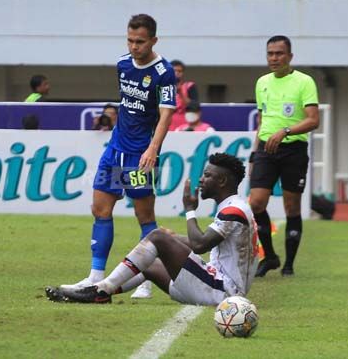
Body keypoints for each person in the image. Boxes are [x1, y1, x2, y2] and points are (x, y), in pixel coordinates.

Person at [59, 14, 176, 300]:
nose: (134, 47)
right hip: (115, 150)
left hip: (140, 154)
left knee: (144, 215)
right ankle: (96, 276)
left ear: (153, 41)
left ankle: (147, 278)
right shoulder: (123, 64)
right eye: (130, 40)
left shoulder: (163, 71)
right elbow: (127, 104)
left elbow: (166, 114)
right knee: (100, 209)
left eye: (140, 41)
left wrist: (152, 148)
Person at [46, 153, 257, 306]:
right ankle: (95, 290)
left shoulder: (233, 210)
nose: (202, 179)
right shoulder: (236, 206)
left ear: (222, 181)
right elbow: (206, 242)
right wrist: (173, 239)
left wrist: (189, 210)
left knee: (156, 236)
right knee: (149, 263)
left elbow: (200, 245)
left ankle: (100, 290)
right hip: (220, 286)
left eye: (207, 175)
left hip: (224, 292)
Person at [249, 35, 319, 278]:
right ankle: (269, 256)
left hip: (293, 150)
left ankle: (289, 263)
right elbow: (262, 120)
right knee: (256, 203)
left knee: (291, 206)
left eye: (279, 53)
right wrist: (253, 153)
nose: (274, 58)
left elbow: (313, 119)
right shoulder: (262, 82)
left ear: (290, 56)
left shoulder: (304, 82)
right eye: (270, 53)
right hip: (266, 149)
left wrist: (286, 130)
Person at [168, 60, 199, 131]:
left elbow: (193, 107)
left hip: (185, 124)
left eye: (179, 71)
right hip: (167, 123)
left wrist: (180, 92)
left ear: (183, 73)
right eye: (174, 71)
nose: (177, 73)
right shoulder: (162, 87)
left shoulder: (190, 86)